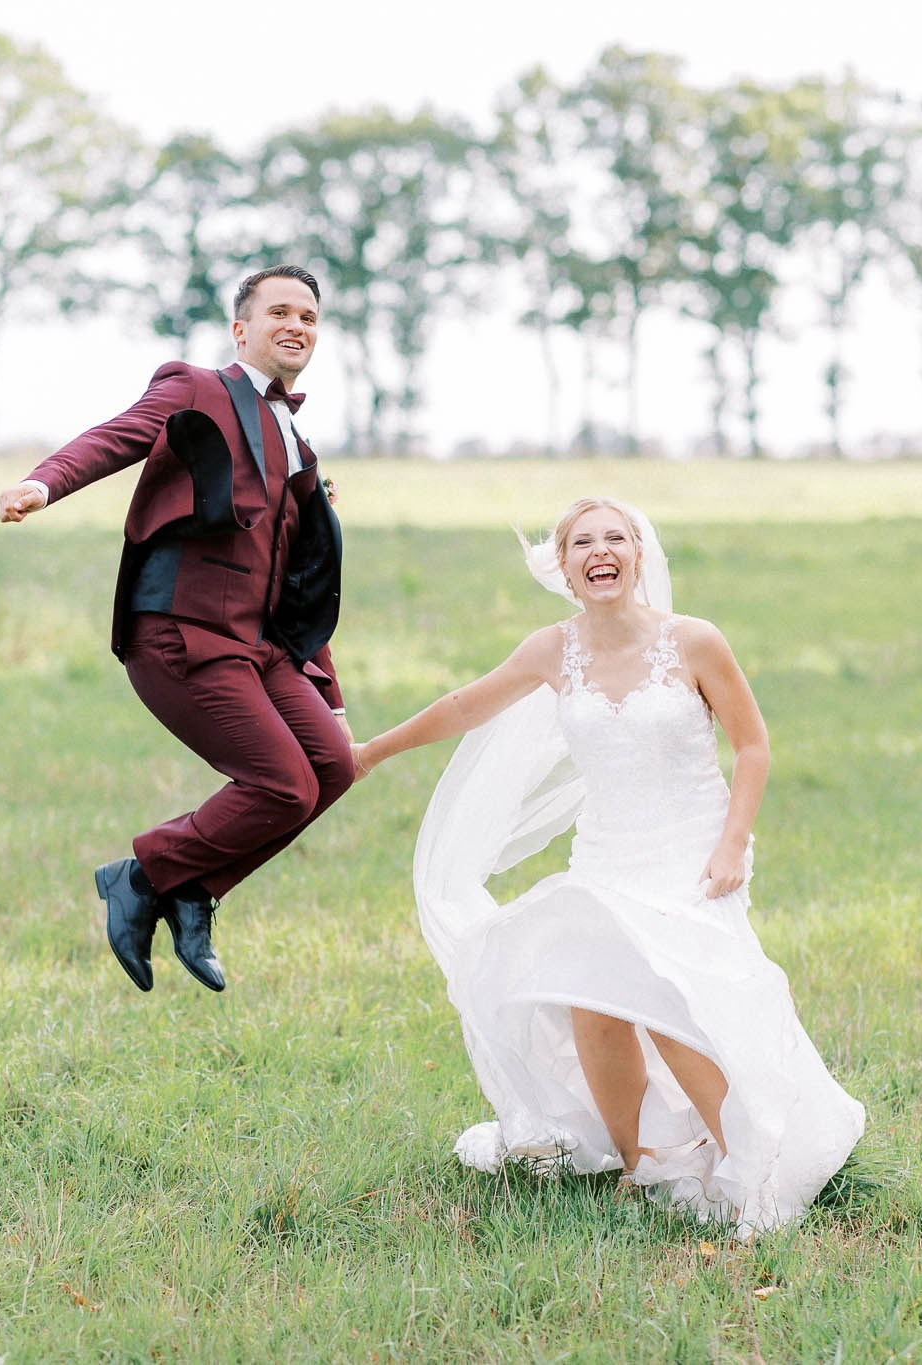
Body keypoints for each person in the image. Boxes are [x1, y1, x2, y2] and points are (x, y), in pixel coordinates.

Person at [351, 497, 863, 1239]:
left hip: (691, 852)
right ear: (563, 566)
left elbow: (753, 745)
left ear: (638, 554)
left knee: (684, 1008)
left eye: (615, 537)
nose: (601, 550)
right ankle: (638, 1162)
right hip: (606, 855)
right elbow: (464, 706)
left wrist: (730, 844)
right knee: (592, 1001)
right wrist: (369, 753)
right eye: (583, 541)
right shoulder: (551, 650)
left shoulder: (695, 642)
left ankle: (753, 1170)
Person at [0, 265, 349, 995]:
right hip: (184, 635)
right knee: (282, 784)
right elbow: (117, 435)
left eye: (309, 317)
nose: (297, 326)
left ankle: (189, 888)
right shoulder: (197, 388)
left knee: (333, 767)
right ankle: (144, 871)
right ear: (241, 328)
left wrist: (330, 690)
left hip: (263, 647)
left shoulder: (299, 441)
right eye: (279, 312)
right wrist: (45, 482)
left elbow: (306, 575)